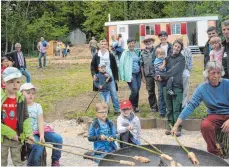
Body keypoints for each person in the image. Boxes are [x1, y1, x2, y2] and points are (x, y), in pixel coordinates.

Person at [171, 62, 229, 157]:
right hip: (215, 115)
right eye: (213, 73)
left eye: (218, 73)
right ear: (207, 74)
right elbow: (190, 106)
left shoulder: (227, 84)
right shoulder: (202, 88)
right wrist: (176, 125)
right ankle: (214, 153)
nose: (216, 76)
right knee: (205, 125)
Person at [19, 83, 63, 166]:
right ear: (21, 93)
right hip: (29, 134)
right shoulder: (20, 107)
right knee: (39, 145)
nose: (31, 95)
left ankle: (55, 161)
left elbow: (40, 121)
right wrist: (27, 136)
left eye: (32, 93)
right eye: (28, 93)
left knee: (58, 139)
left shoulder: (37, 106)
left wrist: (42, 136)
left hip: (40, 130)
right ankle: (32, 164)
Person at [1, 67, 34, 166]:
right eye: (11, 81)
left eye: (18, 81)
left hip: (17, 137)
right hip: (2, 139)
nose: (15, 85)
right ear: (4, 82)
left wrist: (28, 134)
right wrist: (10, 133)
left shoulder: (21, 98)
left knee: (19, 163)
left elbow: (25, 117)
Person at [157, 40, 185, 137]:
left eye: (179, 47)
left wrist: (161, 75)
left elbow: (173, 71)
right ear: (172, 46)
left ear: (181, 49)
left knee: (177, 108)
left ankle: (177, 128)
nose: (176, 48)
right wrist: (158, 73)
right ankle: (170, 126)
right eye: (175, 46)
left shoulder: (181, 59)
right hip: (166, 85)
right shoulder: (167, 58)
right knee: (169, 108)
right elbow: (159, 67)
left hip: (177, 86)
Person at [91, 39, 121, 115]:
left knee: (113, 93)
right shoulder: (96, 55)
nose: (103, 45)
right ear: (99, 45)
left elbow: (114, 67)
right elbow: (92, 66)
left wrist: (116, 77)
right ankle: (105, 110)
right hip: (101, 78)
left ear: (107, 46)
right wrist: (94, 74)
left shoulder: (110, 55)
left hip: (110, 78)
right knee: (103, 95)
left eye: (105, 44)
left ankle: (117, 109)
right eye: (102, 44)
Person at [119, 38, 142, 112]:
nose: (132, 44)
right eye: (130, 43)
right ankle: (128, 106)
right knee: (134, 90)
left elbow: (139, 62)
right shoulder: (125, 53)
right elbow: (121, 65)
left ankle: (135, 106)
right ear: (127, 44)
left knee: (137, 90)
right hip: (130, 74)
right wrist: (125, 76)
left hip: (138, 73)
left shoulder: (137, 51)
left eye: (133, 43)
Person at [154, 31, 173, 117]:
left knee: (169, 92)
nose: (163, 38)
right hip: (159, 75)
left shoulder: (171, 47)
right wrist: (156, 75)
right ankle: (162, 112)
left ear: (167, 37)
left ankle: (170, 110)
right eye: (161, 36)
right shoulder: (156, 48)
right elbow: (153, 62)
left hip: (169, 73)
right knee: (161, 93)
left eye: (165, 36)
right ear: (159, 38)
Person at [140, 37, 158, 112]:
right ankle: (153, 107)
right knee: (150, 91)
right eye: (146, 41)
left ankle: (162, 106)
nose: (148, 42)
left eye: (149, 41)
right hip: (148, 75)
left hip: (157, 73)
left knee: (161, 90)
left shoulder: (157, 50)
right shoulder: (142, 53)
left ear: (152, 42)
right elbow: (141, 65)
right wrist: (143, 76)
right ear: (144, 43)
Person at [177, 37, 193, 108]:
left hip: (185, 70)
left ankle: (184, 104)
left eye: (181, 41)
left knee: (185, 88)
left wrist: (189, 70)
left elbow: (190, 60)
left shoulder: (187, 50)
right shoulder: (174, 49)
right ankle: (177, 103)